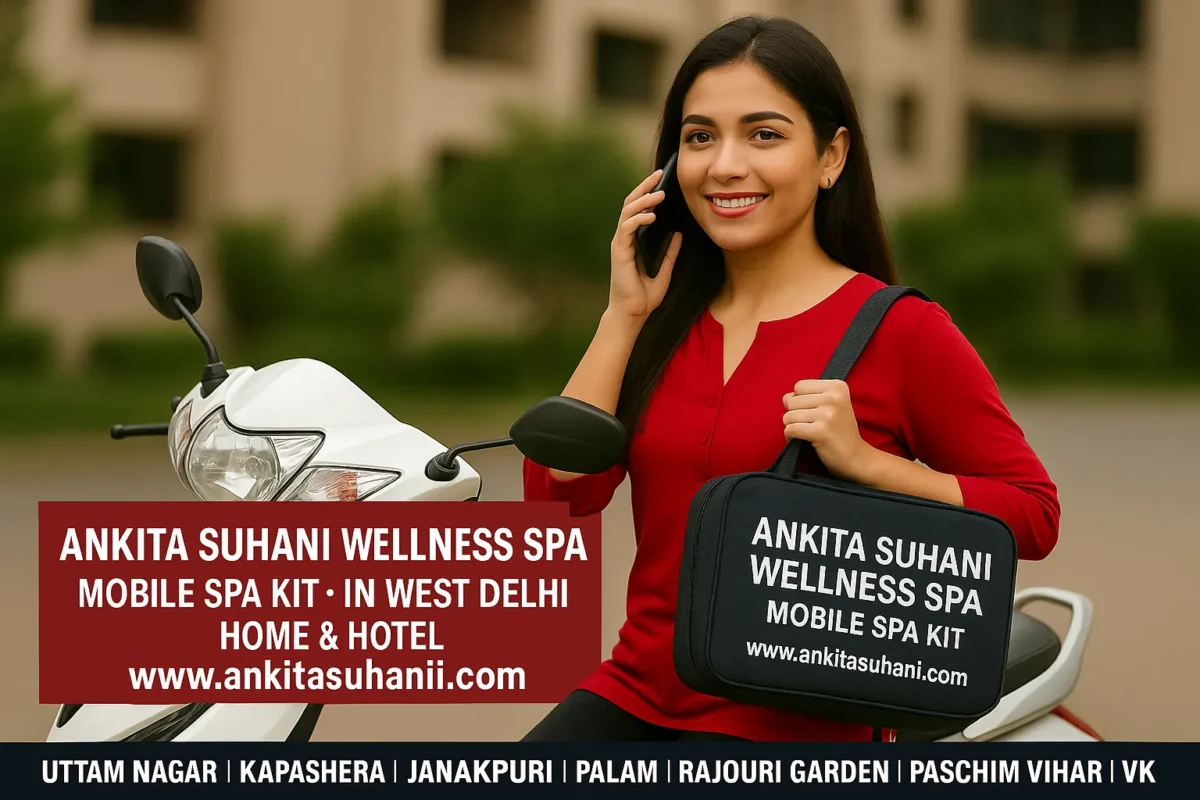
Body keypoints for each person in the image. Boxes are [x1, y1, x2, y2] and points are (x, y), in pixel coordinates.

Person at [520, 15, 1060, 743]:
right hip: (637, 692)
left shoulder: (901, 332)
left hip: (801, 719)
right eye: (700, 136)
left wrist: (871, 464)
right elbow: (561, 491)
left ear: (831, 156)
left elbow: (1033, 514)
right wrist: (622, 315)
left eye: (764, 135)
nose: (725, 165)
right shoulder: (659, 321)